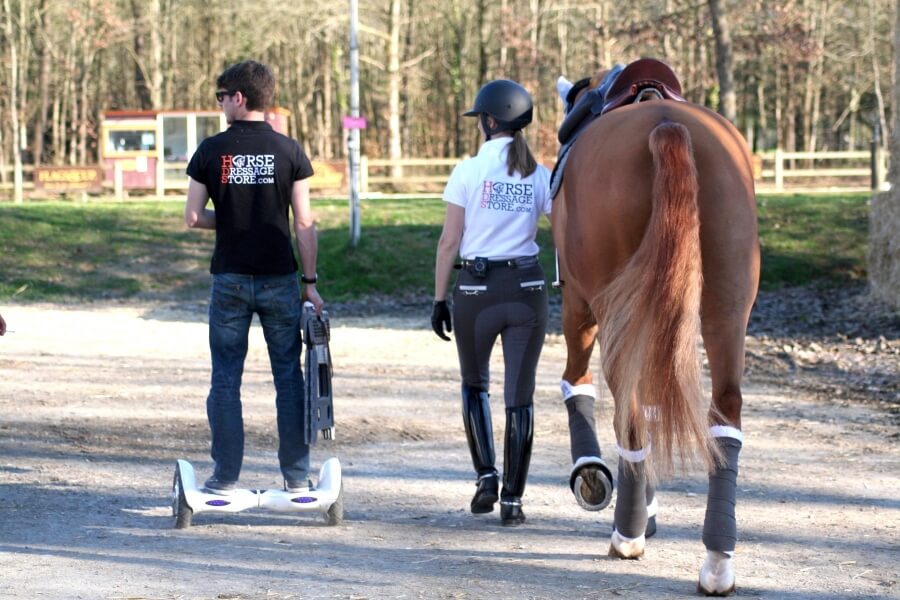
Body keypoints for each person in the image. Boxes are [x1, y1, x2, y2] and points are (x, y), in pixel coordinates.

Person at [184, 60, 324, 494]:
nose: (220, 104)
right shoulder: (289, 150)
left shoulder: (210, 150)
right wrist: (311, 283)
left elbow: (192, 217)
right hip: (280, 279)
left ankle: (224, 478)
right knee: (289, 376)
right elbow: (304, 223)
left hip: (229, 279)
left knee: (226, 377)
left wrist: (227, 220)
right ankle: (298, 478)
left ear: (239, 98)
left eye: (221, 96)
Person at [432, 79, 552, 526]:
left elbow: (449, 242)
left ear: (487, 121)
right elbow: (564, 232)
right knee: (520, 397)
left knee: (474, 384)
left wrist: (440, 297)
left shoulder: (467, 172)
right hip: (527, 291)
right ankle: (514, 500)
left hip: (477, 292)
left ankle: (486, 474)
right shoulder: (540, 175)